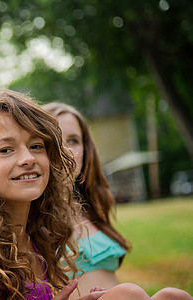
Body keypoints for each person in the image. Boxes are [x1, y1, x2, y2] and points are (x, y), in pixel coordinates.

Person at [0, 89, 155, 300]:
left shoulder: (37, 237)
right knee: (129, 294)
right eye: (6, 150)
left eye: (36, 146)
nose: (28, 158)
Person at [42, 102, 192, 300]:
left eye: (73, 140)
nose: (66, 151)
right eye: (57, 140)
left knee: (174, 296)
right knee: (129, 293)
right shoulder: (33, 215)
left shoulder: (91, 208)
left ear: (86, 150)